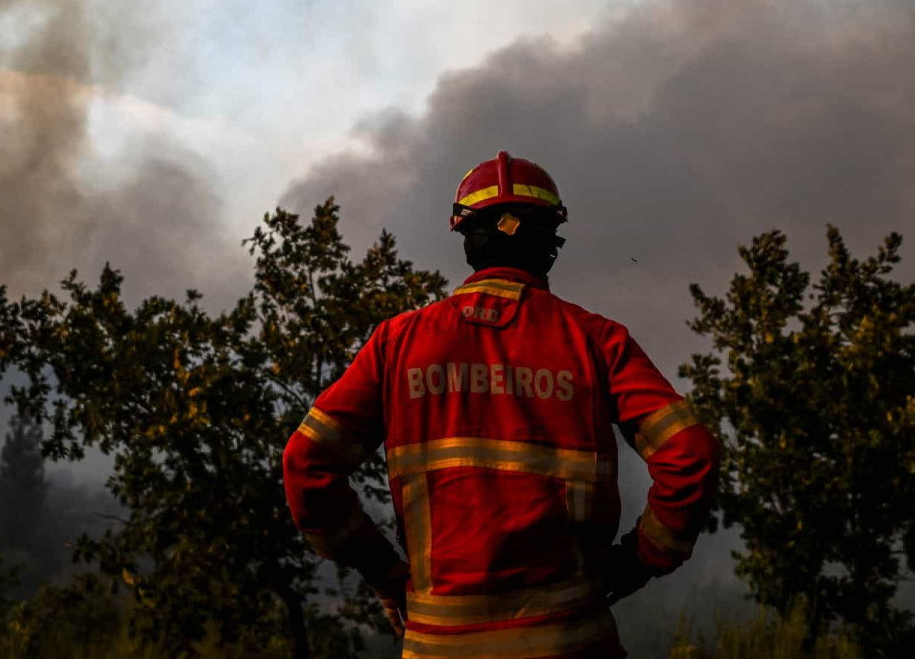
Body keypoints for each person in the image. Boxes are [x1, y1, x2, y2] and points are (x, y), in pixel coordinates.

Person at [282, 152, 721, 658]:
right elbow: (689, 452)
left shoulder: (397, 343)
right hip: (572, 641)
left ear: (467, 238)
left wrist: (382, 569)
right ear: (549, 243)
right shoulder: (597, 341)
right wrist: (641, 561)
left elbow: (305, 464)